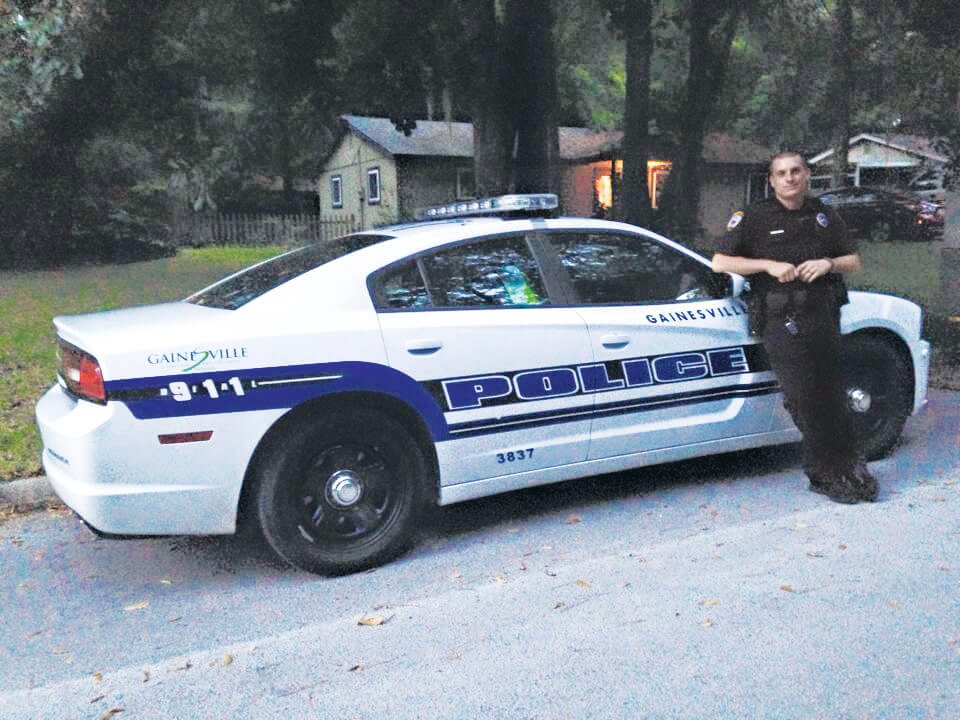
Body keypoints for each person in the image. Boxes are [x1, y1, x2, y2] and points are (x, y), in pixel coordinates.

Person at [712, 151, 877, 504]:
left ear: (807, 175)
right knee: (804, 396)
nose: (789, 178)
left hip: (823, 313)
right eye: (781, 173)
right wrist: (767, 266)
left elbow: (854, 261)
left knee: (831, 392)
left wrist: (828, 262)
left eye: (795, 171)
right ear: (771, 181)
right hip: (779, 318)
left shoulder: (823, 214)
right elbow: (720, 261)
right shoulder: (752, 217)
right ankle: (826, 472)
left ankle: (849, 467)